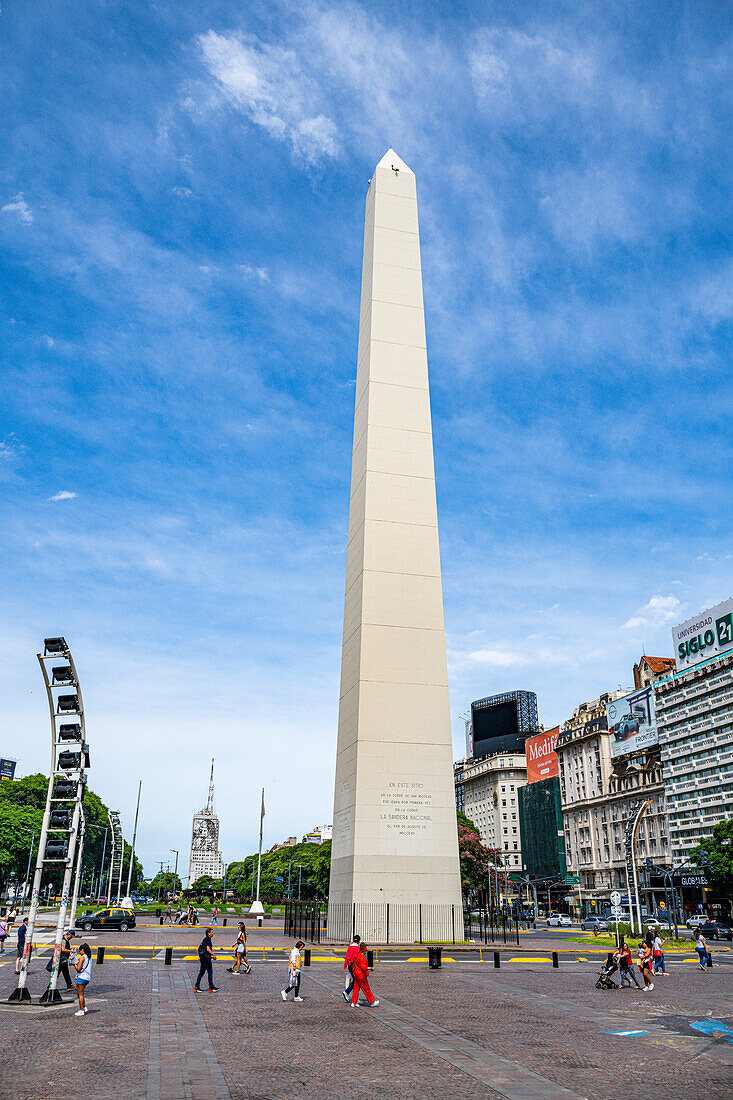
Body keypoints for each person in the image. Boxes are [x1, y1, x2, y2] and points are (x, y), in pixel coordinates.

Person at [349, 942, 379, 1008]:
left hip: (356, 974)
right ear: (364, 950)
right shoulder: (361, 957)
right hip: (361, 975)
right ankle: (372, 1001)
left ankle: (353, 1002)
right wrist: (370, 968)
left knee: (356, 988)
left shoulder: (358, 954)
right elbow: (363, 967)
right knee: (366, 988)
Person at [194, 927, 218, 992]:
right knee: (210, 972)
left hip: (203, 958)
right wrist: (213, 954)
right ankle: (211, 987)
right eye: (212, 932)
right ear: (209, 933)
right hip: (206, 960)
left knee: (201, 973)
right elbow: (207, 949)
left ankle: (197, 986)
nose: (213, 933)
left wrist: (210, 956)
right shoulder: (208, 939)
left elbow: (205, 951)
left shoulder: (205, 939)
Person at [74, 942, 92, 1016]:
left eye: (80, 951)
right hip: (87, 978)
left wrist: (75, 964)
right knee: (78, 992)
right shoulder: (89, 957)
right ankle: (83, 1007)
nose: (79, 953)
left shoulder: (82, 957)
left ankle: (81, 1010)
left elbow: (78, 969)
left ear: (82, 950)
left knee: (80, 994)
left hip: (81, 977)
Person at [342, 934, 361, 1002]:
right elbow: (357, 958)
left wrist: (346, 964)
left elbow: (347, 956)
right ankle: (347, 992)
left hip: (349, 965)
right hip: (355, 966)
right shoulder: (357, 948)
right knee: (356, 981)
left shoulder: (349, 947)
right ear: (359, 941)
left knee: (353, 980)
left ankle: (353, 997)